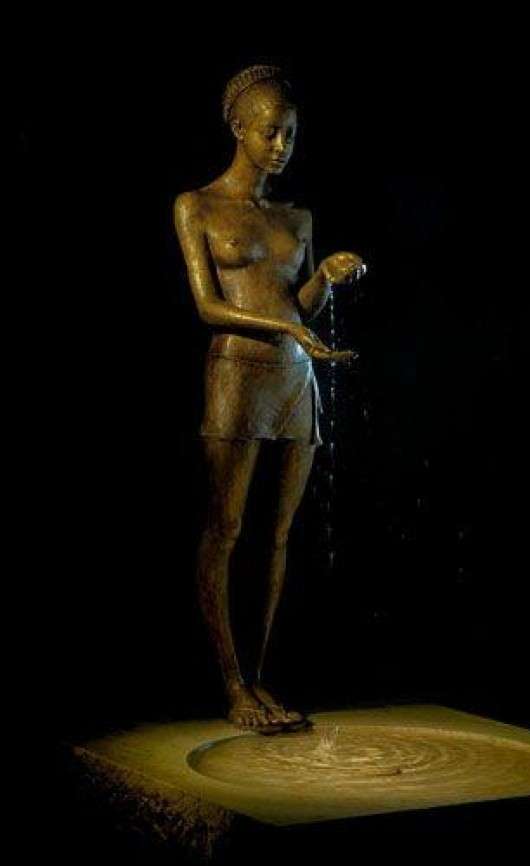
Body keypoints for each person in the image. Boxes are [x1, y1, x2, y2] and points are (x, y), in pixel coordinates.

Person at [174, 65, 367, 733]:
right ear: (238, 128)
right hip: (236, 373)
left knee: (277, 536)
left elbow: (299, 306)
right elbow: (207, 306)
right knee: (225, 529)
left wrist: (324, 277)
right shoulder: (196, 205)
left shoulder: (297, 216)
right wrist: (286, 326)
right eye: (269, 132)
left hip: (293, 378)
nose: (281, 145)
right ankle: (232, 684)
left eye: (289, 134)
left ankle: (258, 678)